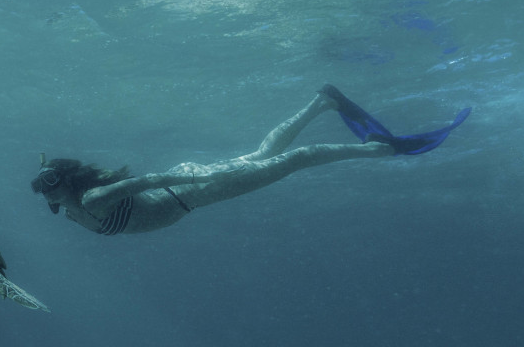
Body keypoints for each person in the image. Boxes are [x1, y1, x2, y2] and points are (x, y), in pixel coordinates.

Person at [30, 85, 470, 237]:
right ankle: (322, 102)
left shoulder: (93, 199)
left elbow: (150, 179)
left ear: (66, 180)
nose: (45, 190)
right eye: (43, 186)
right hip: (188, 186)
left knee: (296, 159)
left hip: (192, 189)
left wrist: (218, 174)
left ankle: (379, 149)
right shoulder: (66, 209)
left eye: (49, 181)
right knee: (267, 154)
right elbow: (58, 198)